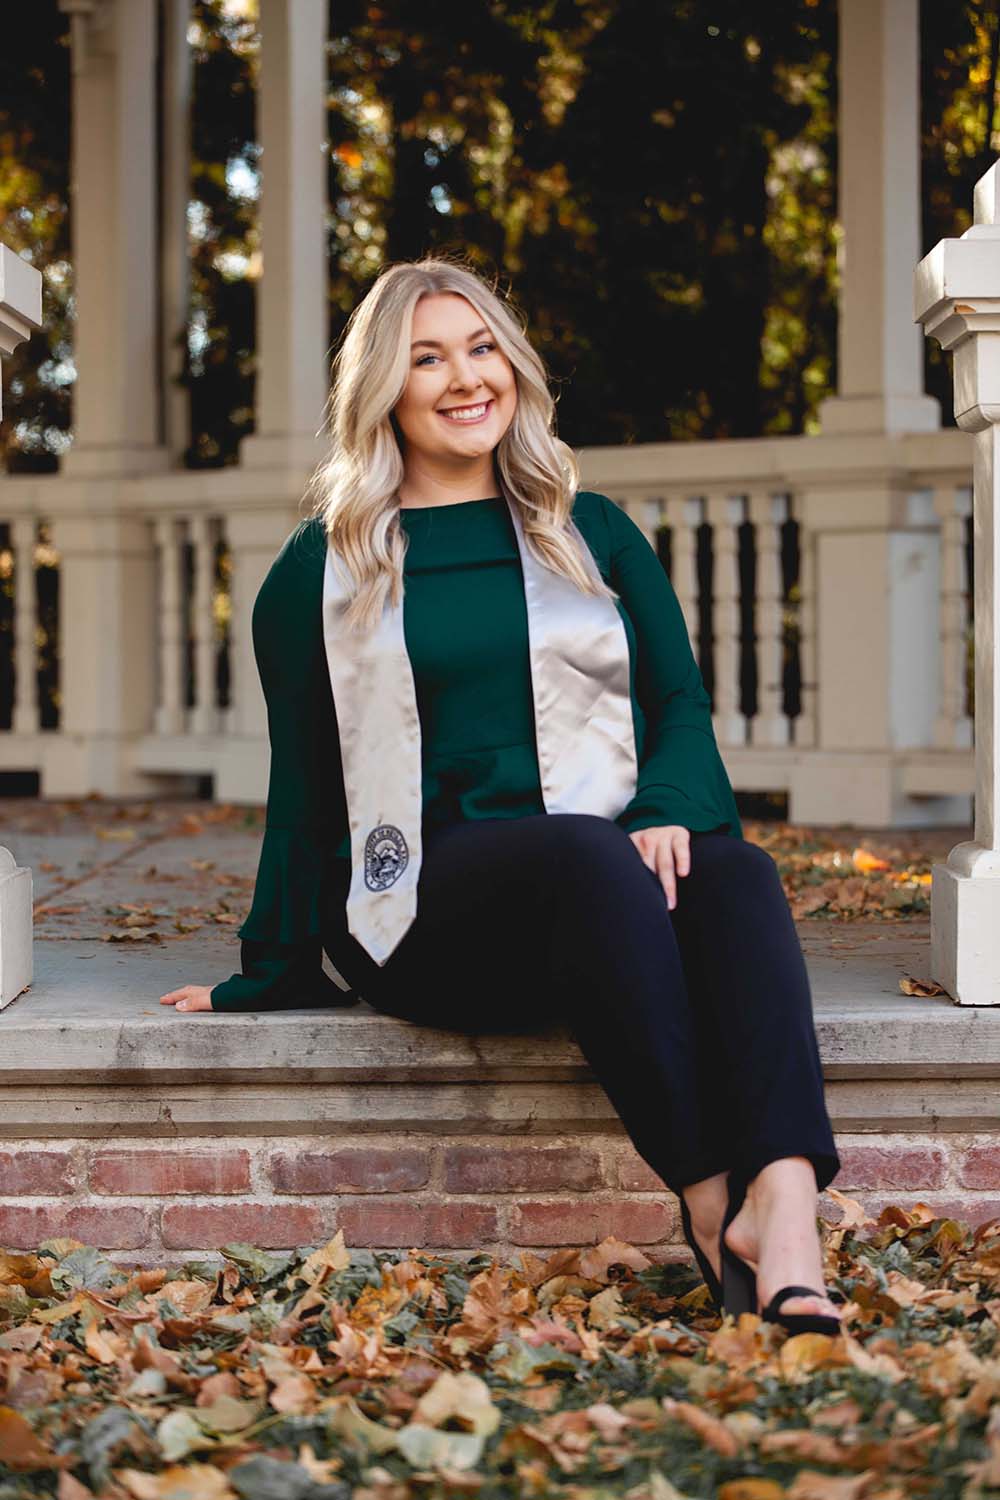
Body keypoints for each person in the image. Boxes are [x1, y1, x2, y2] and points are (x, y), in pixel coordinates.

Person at [160, 255, 844, 1335]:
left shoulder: (589, 534)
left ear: (513, 369)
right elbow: (303, 787)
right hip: (429, 913)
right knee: (584, 852)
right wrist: (270, 970)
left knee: (733, 872)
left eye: (481, 348)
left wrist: (666, 800)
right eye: (426, 357)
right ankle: (711, 1194)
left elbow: (676, 702)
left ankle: (788, 1211)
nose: (464, 378)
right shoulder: (325, 571)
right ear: (381, 387)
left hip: (602, 890)